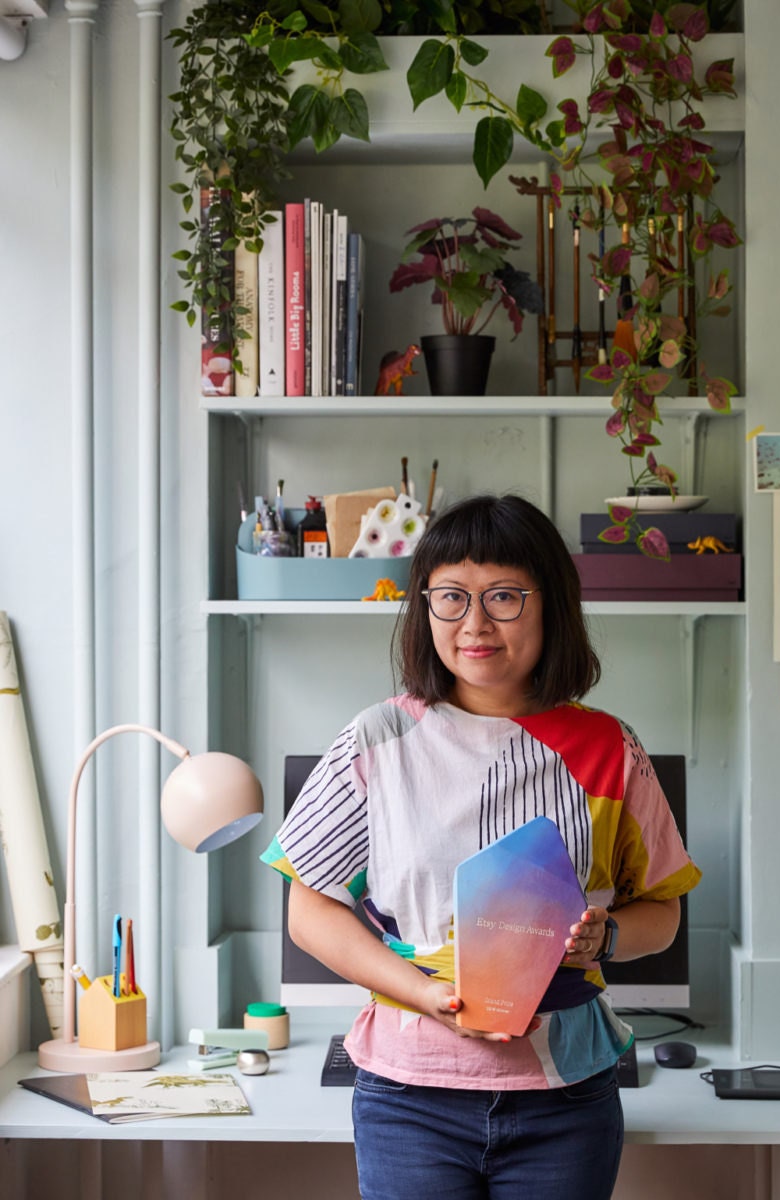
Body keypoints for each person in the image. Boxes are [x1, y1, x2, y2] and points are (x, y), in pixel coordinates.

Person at [261, 493, 701, 1200]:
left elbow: (665, 912)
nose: (475, 624)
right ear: (425, 606)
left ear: (550, 602)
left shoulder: (610, 749)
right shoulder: (379, 740)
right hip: (408, 1098)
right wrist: (422, 993)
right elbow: (308, 911)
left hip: (567, 1096)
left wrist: (607, 936)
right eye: (450, 597)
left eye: (502, 596)